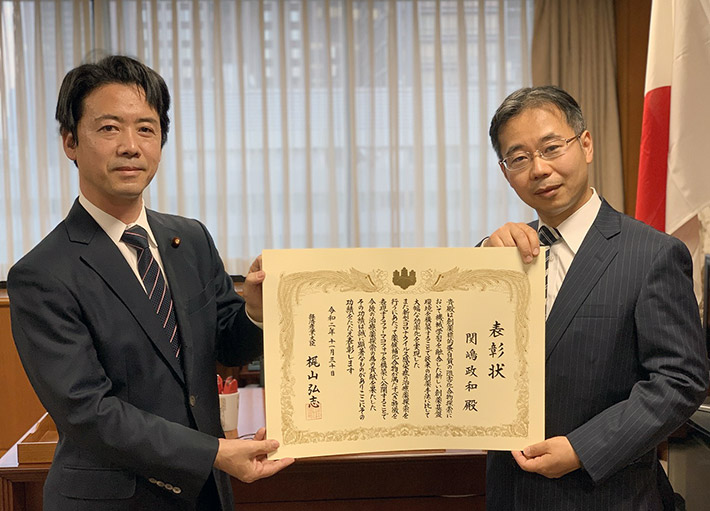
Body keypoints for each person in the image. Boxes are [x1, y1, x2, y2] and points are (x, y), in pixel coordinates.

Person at [8, 55, 293, 510]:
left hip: (205, 494)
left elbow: (226, 345)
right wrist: (216, 453)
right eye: (108, 128)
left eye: (146, 128)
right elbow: (88, 412)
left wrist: (255, 311)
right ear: (70, 141)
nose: (130, 145)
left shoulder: (191, 238)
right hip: (112, 500)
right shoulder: (41, 275)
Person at [482, 85, 708, 510]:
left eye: (552, 147)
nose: (539, 169)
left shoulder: (652, 254)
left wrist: (582, 449)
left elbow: (680, 381)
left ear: (585, 144)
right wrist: (481, 263)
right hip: (511, 495)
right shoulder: (497, 256)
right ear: (505, 170)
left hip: (608, 493)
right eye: (520, 158)